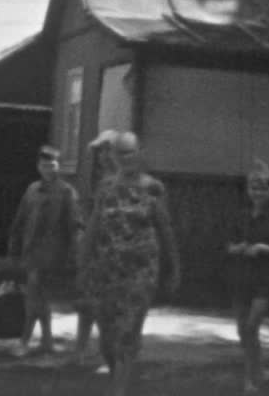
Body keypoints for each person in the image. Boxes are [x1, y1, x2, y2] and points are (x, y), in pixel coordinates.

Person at [77, 131, 180, 396]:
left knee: (127, 333)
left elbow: (165, 230)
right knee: (106, 341)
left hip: (141, 273)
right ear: (114, 156)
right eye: (120, 153)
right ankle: (118, 377)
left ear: (140, 153)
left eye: (130, 152)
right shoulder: (105, 188)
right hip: (106, 272)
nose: (125, 158)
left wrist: (174, 269)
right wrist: (82, 265)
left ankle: (118, 391)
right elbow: (93, 227)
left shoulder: (153, 188)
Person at [7, 145, 84, 357]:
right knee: (39, 298)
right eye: (44, 165)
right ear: (38, 166)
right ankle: (47, 342)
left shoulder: (67, 192)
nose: (48, 169)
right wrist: (13, 247)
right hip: (31, 251)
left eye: (52, 165)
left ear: (58, 166)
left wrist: (75, 255)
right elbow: (20, 220)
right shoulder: (32, 190)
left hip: (53, 254)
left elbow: (75, 225)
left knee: (35, 297)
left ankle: (24, 342)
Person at [225, 159, 269, 394]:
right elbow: (228, 247)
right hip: (242, 276)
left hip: (266, 278)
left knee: (252, 325)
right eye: (254, 187)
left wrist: (262, 248)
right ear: (248, 190)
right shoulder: (240, 216)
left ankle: (251, 377)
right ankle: (254, 370)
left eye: (263, 188)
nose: (258, 192)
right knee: (243, 330)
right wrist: (240, 248)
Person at [73, 129, 120, 363]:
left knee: (109, 308)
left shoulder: (127, 181)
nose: (103, 156)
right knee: (88, 302)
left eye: (107, 150)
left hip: (119, 253)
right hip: (97, 251)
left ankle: (108, 355)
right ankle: (81, 350)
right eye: (100, 152)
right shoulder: (101, 181)